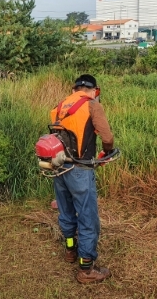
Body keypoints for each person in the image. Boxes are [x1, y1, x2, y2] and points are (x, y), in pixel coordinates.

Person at [50, 74, 114, 284]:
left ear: (74, 88)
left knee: (66, 211)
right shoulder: (91, 105)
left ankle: (70, 249)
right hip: (80, 169)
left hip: (59, 168)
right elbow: (107, 136)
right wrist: (107, 151)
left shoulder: (61, 106)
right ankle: (86, 269)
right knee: (88, 219)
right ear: (95, 90)